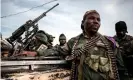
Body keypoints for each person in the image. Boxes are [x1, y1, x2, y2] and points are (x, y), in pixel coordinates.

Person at [65, 10, 120, 80]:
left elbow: (120, 69)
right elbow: (59, 51)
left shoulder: (109, 42)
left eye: (98, 20)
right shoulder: (73, 41)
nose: (96, 21)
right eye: (91, 18)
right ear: (83, 22)